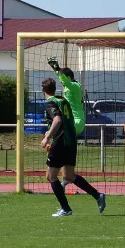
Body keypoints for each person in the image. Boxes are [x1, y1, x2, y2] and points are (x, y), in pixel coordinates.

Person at [41, 78, 106, 217]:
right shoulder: (63, 100)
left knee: (50, 176)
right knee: (69, 175)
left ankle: (65, 208)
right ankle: (98, 195)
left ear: (43, 91)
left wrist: (47, 137)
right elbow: (64, 121)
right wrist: (51, 132)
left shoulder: (50, 102)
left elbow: (57, 120)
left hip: (60, 142)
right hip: (71, 142)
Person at [47, 58, 86, 190]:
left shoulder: (75, 86)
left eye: (64, 78)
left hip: (77, 121)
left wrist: (57, 70)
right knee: (64, 145)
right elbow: (63, 81)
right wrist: (56, 71)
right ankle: (66, 179)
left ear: (69, 77)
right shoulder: (69, 86)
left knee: (60, 140)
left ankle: (55, 155)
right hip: (72, 121)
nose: (62, 82)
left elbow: (65, 82)